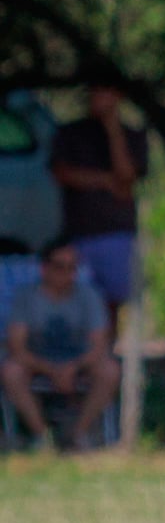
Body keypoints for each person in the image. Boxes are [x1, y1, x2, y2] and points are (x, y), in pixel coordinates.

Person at [2, 240, 119, 451]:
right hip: (38, 362)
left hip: (79, 362)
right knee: (11, 371)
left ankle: (79, 435)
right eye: (60, 266)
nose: (66, 273)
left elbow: (99, 344)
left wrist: (72, 368)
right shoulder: (26, 298)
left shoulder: (89, 295)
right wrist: (51, 370)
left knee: (109, 371)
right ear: (44, 268)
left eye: (72, 267)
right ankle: (42, 438)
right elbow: (16, 347)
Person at [50, 87, 149, 329]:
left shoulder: (132, 135)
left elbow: (126, 178)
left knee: (112, 303)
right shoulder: (70, 133)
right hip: (78, 234)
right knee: (77, 304)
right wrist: (105, 180)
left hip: (117, 232)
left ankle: (105, 359)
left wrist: (113, 128)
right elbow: (62, 173)